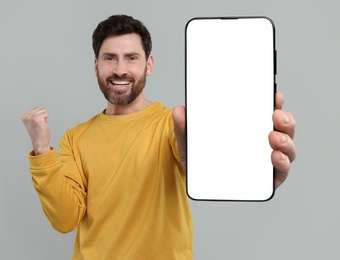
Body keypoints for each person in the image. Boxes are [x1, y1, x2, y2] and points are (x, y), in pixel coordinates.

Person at [22, 15, 296, 260]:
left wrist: (246, 166)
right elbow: (64, 219)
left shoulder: (172, 125)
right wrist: (42, 148)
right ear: (96, 65)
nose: (120, 69)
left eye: (131, 57)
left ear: (149, 64)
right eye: (109, 58)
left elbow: (192, 153)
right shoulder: (76, 138)